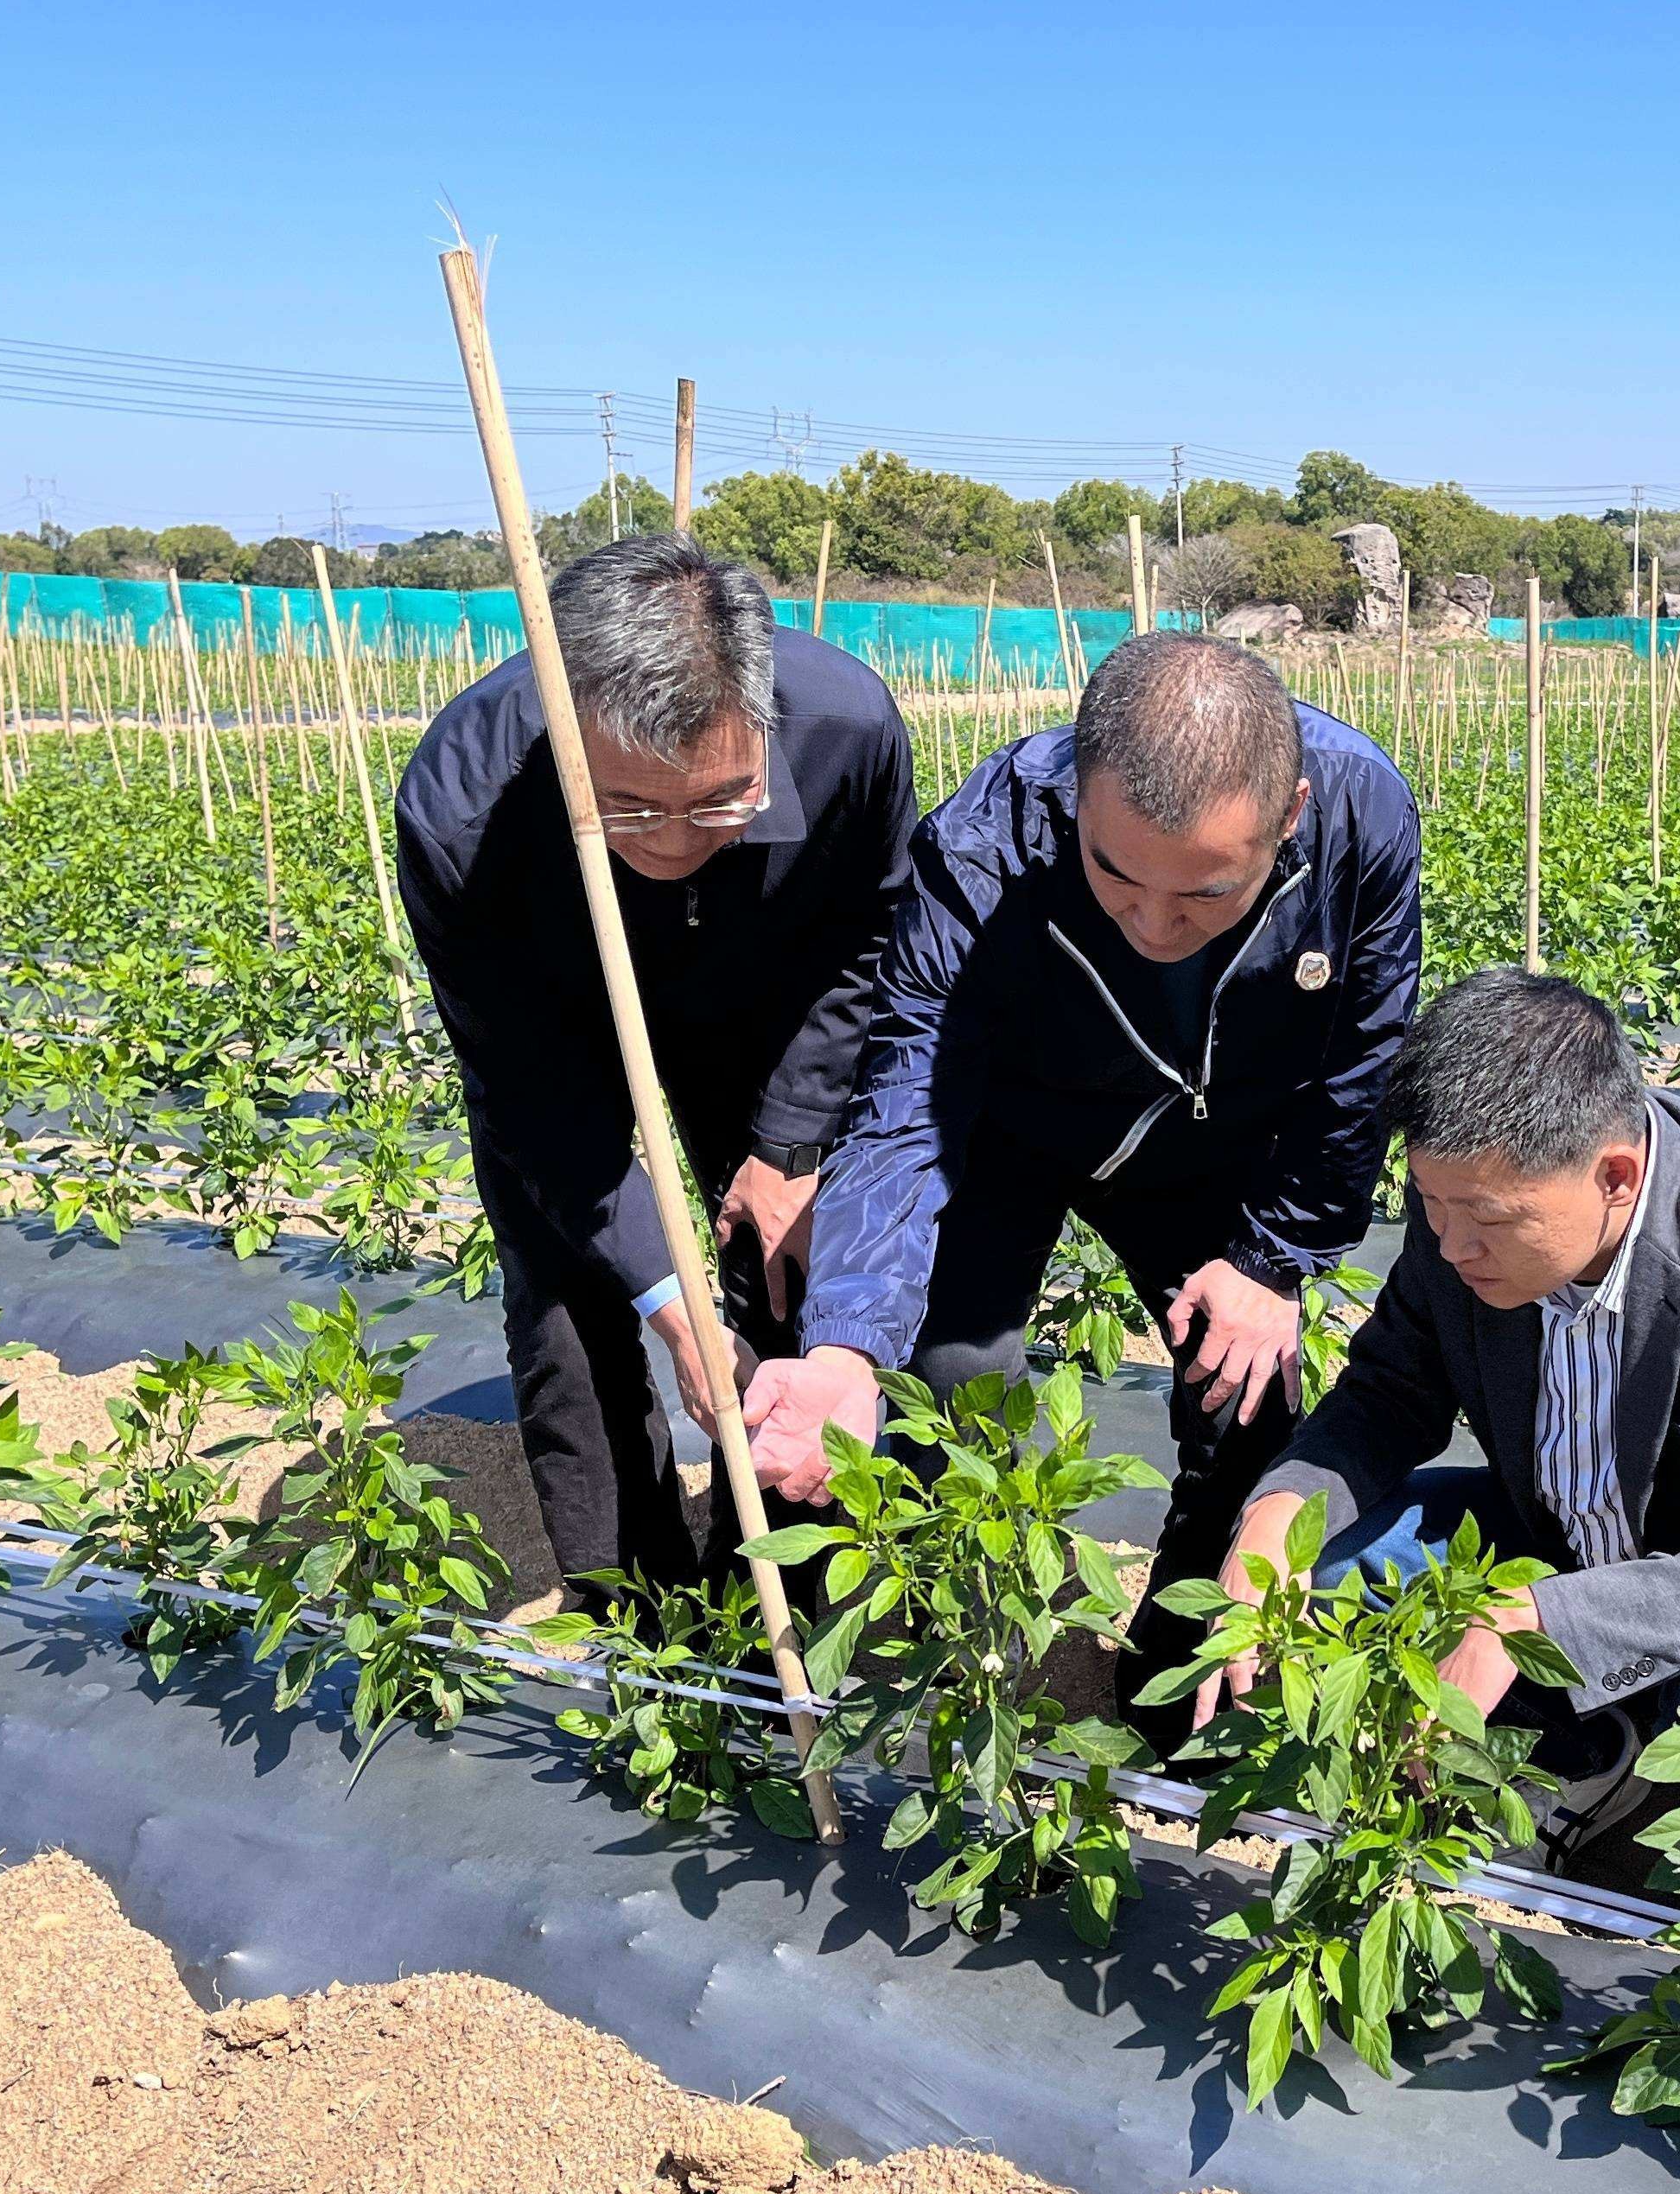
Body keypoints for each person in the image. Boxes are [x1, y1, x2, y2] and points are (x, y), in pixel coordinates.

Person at [740, 632, 1422, 1726]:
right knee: (951, 1381)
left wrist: (1277, 1260)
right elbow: (913, 1089)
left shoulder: (1360, 820)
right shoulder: (984, 842)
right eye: (1115, 875)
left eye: (1205, 893)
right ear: (1074, 803)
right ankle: (898, 1659)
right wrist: (846, 1342)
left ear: (1288, 817)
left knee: (1244, 1401)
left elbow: (1361, 1060)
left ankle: (1176, 1687)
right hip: (1014, 1123)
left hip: (1208, 1133)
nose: (1155, 925)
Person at [1210, 968, 1680, 1885]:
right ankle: (1560, 1757)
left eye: (1486, 1220)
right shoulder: (1460, 1209)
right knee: (1328, 1560)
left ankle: (1667, 1845)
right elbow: (1386, 1397)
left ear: (1615, 1177)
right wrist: (1275, 1522)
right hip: (1561, 1540)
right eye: (1429, 1205)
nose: (1451, 1247)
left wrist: (1534, 1619)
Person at [397, 537, 916, 1593]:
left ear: (763, 727)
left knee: (786, 1262)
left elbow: (871, 935)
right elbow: (535, 1099)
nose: (675, 840)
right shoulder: (462, 808)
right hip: (561, 1007)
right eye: (630, 806)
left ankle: (765, 1604)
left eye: (720, 801)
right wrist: (672, 1304)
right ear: (570, 724)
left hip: (759, 992)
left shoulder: (847, 732)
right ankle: (632, 1608)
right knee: (570, 1297)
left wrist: (789, 1140)